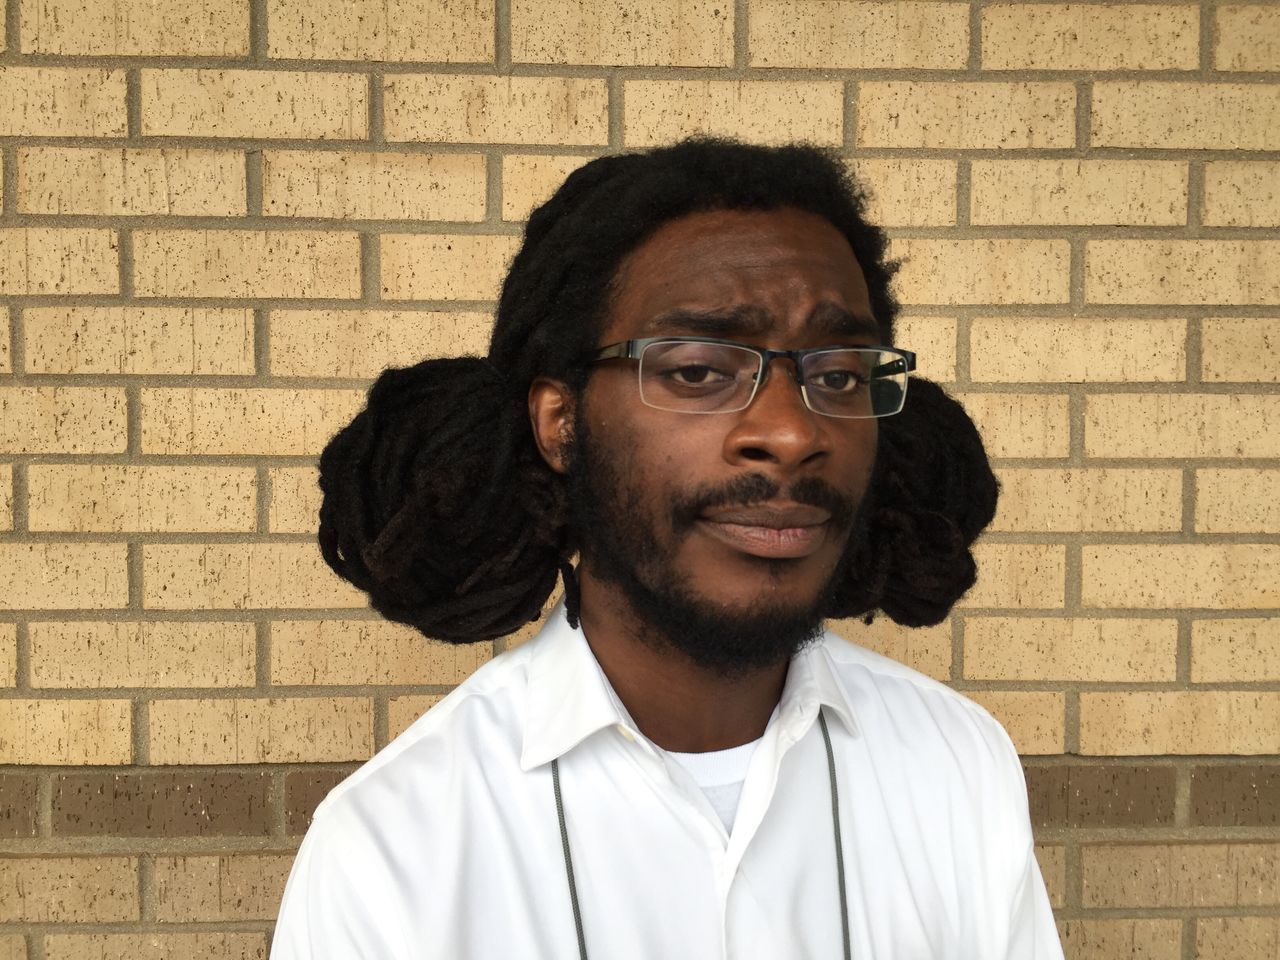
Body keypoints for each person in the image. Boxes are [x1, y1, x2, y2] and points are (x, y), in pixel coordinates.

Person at [271, 138, 1065, 959]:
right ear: (562, 423)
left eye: (837, 375)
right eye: (697, 370)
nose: (793, 433)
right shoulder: (395, 847)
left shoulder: (958, 765)